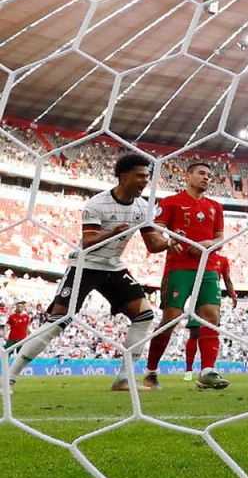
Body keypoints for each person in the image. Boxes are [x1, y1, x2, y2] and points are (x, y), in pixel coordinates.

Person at [8, 153, 171, 391]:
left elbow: (153, 245)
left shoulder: (142, 208)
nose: (145, 180)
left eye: (147, 176)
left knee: (144, 316)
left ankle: (124, 379)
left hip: (113, 267)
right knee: (58, 321)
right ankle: (10, 377)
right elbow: (88, 242)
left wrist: (171, 241)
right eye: (140, 175)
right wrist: (113, 232)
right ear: (123, 176)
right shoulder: (97, 204)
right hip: (84, 266)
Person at [142, 162, 230, 391]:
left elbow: (219, 239)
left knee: (211, 316)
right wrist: (169, 241)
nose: (206, 178)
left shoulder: (215, 207)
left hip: (208, 268)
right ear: (187, 175)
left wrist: (205, 244)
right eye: (202, 173)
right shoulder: (171, 202)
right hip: (178, 267)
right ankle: (151, 370)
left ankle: (207, 372)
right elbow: (156, 231)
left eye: (209, 175)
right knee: (171, 318)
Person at [183, 254, 235, 382]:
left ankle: (206, 370)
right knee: (194, 333)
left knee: (211, 327)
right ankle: (189, 370)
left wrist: (232, 294)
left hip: (211, 295)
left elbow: (227, 278)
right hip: (197, 296)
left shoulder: (222, 260)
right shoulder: (199, 256)